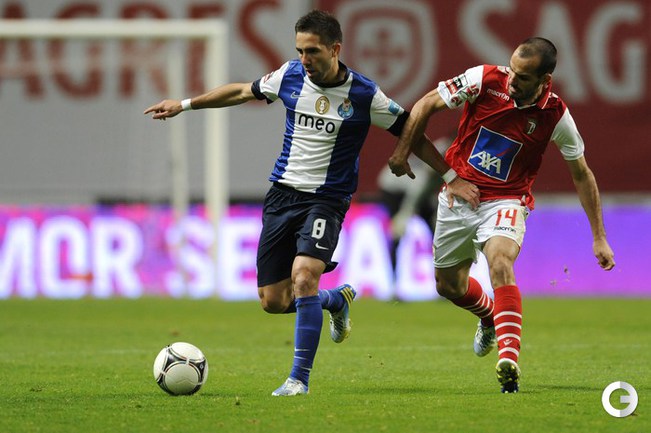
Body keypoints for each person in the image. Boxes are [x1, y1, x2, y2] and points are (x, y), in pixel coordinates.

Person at [145, 10, 422, 396]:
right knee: (273, 301)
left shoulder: (363, 93)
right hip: (282, 196)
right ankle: (333, 301)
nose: (304, 59)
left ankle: (298, 380)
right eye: (300, 50)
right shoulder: (289, 75)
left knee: (304, 276)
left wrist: (447, 174)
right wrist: (185, 103)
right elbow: (242, 92)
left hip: (327, 199)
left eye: (312, 51)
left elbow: (409, 123)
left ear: (335, 49)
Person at [388, 37, 616, 393]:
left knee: (500, 262)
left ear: (545, 80)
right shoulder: (483, 80)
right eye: (512, 70)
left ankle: (508, 359)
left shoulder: (555, 115)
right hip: (458, 196)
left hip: (507, 200)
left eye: (523, 77)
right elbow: (425, 104)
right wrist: (406, 154)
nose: (512, 81)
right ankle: (489, 316)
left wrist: (599, 236)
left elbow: (582, 174)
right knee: (448, 286)